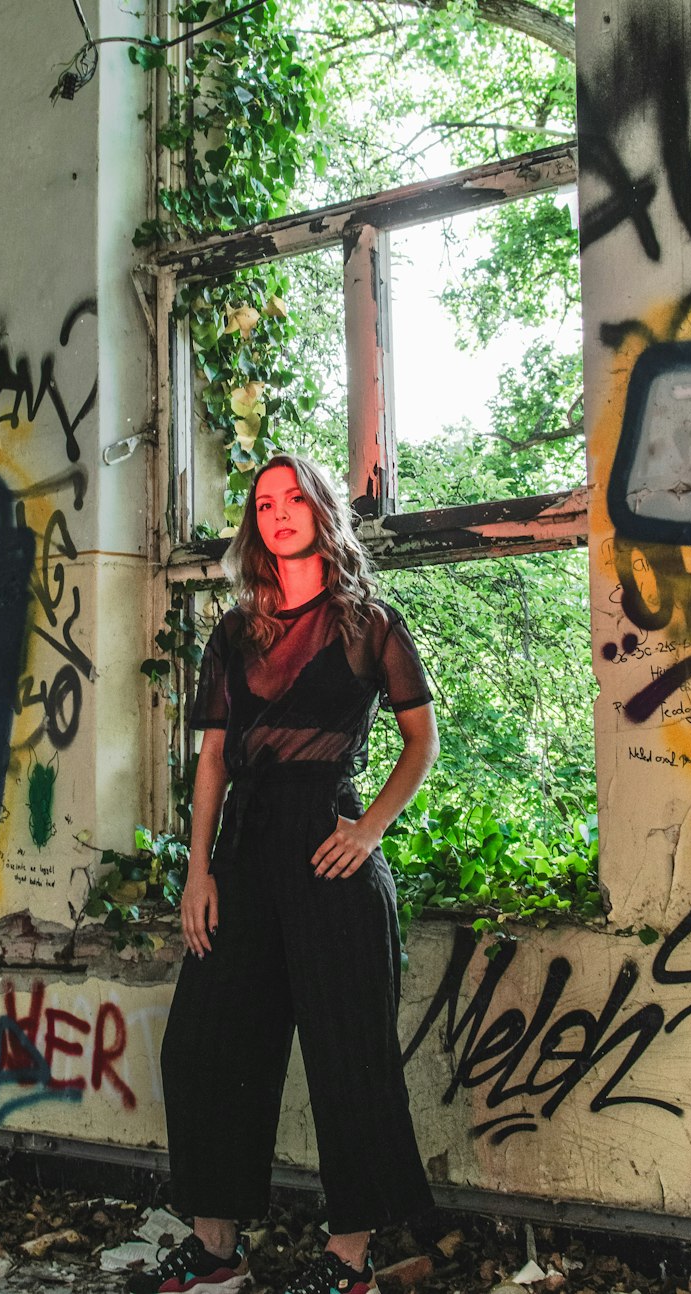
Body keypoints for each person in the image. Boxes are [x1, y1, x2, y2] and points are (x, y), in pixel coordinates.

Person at [130, 454, 439, 1294]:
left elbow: (422, 743)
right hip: (243, 849)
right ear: (255, 525)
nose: (278, 512)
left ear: (321, 509)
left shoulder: (369, 623)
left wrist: (370, 828)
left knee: (349, 1055)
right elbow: (215, 760)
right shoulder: (232, 634)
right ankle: (217, 1252)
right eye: (264, 503)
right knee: (203, 1045)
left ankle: (348, 1262)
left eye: (293, 497)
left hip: (328, 848)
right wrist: (198, 869)